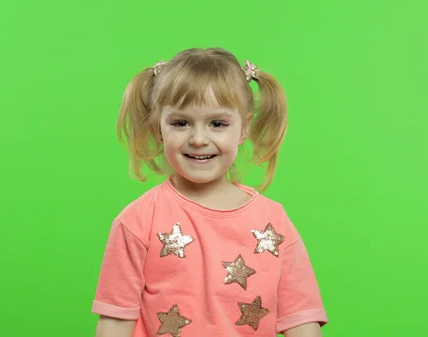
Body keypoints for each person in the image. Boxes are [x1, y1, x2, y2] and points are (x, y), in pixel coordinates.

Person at [92, 47, 328, 337]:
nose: (199, 139)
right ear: (158, 129)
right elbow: (115, 321)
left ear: (243, 129)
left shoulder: (274, 223)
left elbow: (301, 321)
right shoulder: (138, 221)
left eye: (218, 124)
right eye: (181, 123)